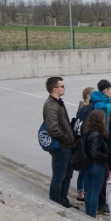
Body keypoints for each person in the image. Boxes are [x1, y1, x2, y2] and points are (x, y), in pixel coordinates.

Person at [42, 76, 77, 209]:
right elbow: (53, 128)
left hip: (66, 145)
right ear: (54, 89)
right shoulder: (51, 105)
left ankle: (63, 200)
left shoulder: (58, 103)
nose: (64, 88)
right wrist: (66, 138)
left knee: (67, 174)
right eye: (62, 86)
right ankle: (55, 204)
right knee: (59, 176)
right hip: (61, 146)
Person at [90, 79, 111, 214]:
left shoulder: (99, 101)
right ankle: (100, 204)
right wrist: (109, 139)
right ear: (105, 90)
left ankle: (99, 202)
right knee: (102, 175)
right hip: (102, 143)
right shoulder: (101, 104)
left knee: (102, 175)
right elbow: (102, 125)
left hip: (101, 141)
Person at [82, 110, 108, 218]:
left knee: (88, 191)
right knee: (94, 193)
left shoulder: (88, 132)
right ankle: (92, 215)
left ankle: (88, 214)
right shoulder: (96, 134)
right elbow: (95, 153)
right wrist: (106, 157)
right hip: (97, 166)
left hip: (88, 165)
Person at [75, 87, 94, 202]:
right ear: (87, 95)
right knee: (83, 170)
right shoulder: (84, 107)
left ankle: (81, 191)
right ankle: (81, 192)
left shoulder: (84, 107)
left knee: (83, 170)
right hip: (82, 140)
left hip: (81, 139)